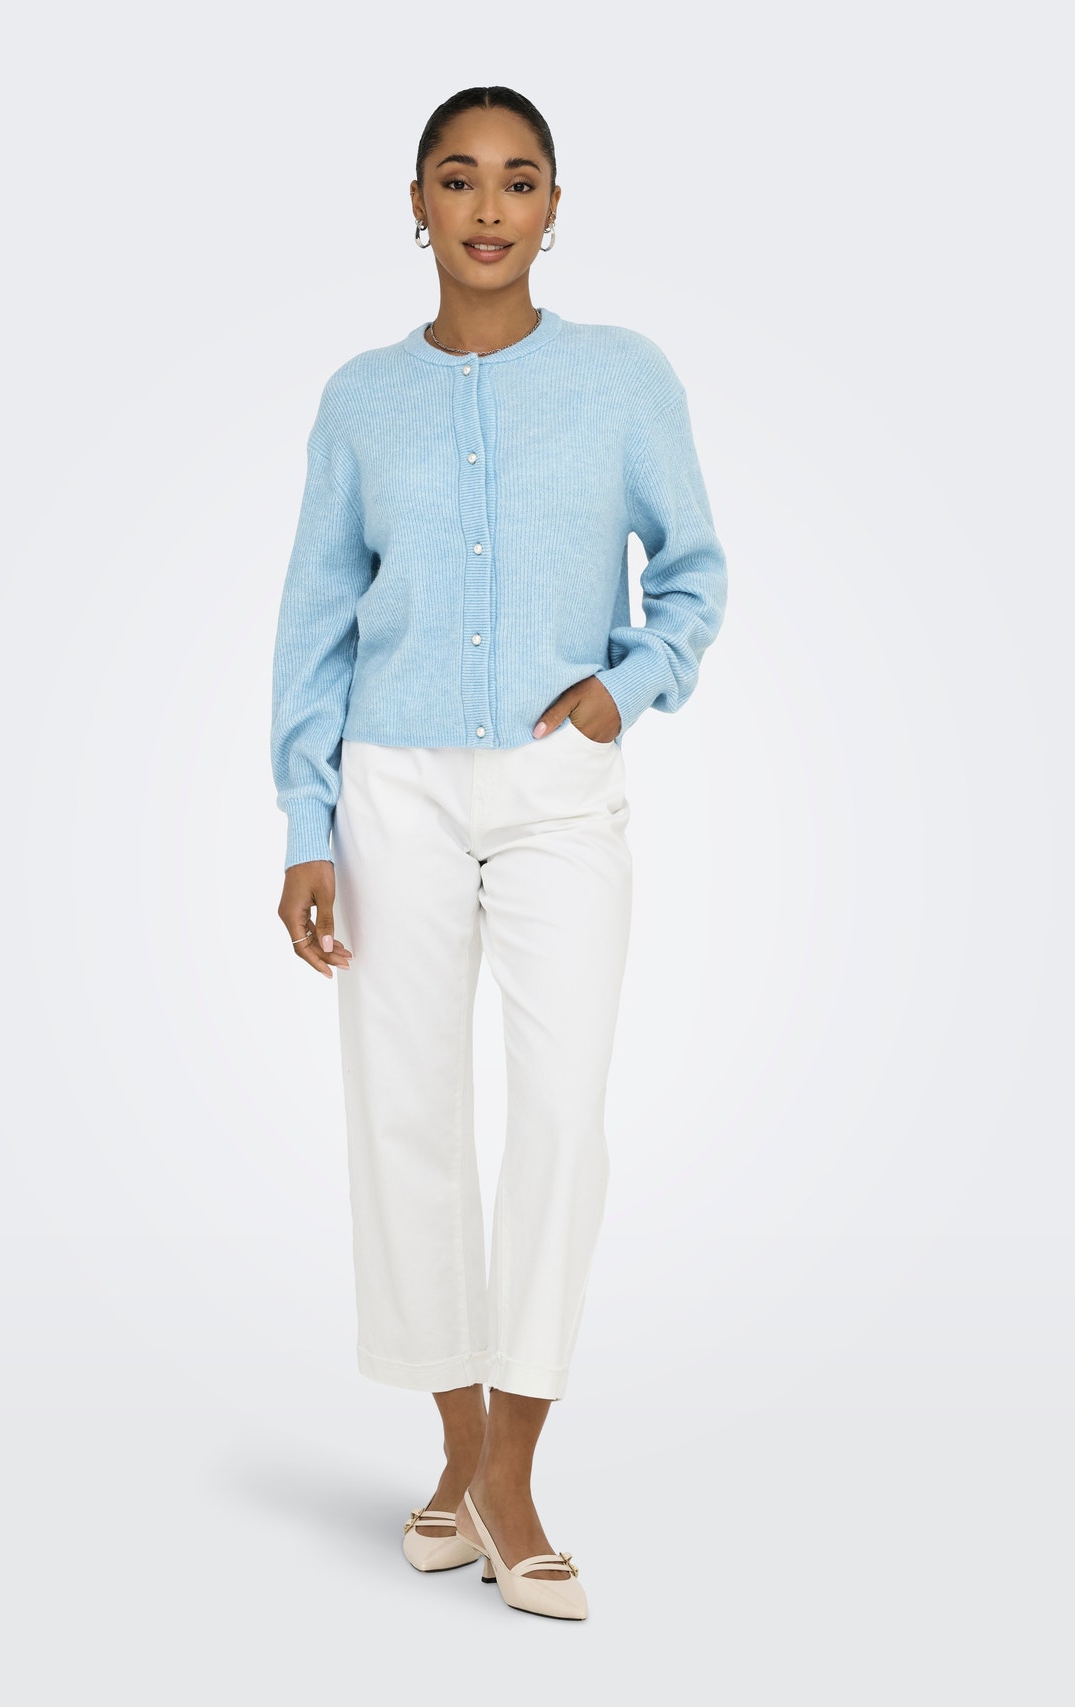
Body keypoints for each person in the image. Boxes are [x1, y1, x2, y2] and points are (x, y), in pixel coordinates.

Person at [269, 85, 727, 1621]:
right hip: (390, 784)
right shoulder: (360, 400)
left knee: (559, 1118)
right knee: (403, 1114)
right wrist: (305, 824)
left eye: (518, 179)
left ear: (552, 207)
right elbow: (315, 620)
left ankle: (514, 1464)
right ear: (417, 202)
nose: (487, 206)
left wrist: (623, 691)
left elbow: (695, 575)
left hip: (556, 785)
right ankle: (460, 1447)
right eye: (457, 178)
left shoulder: (622, 379)